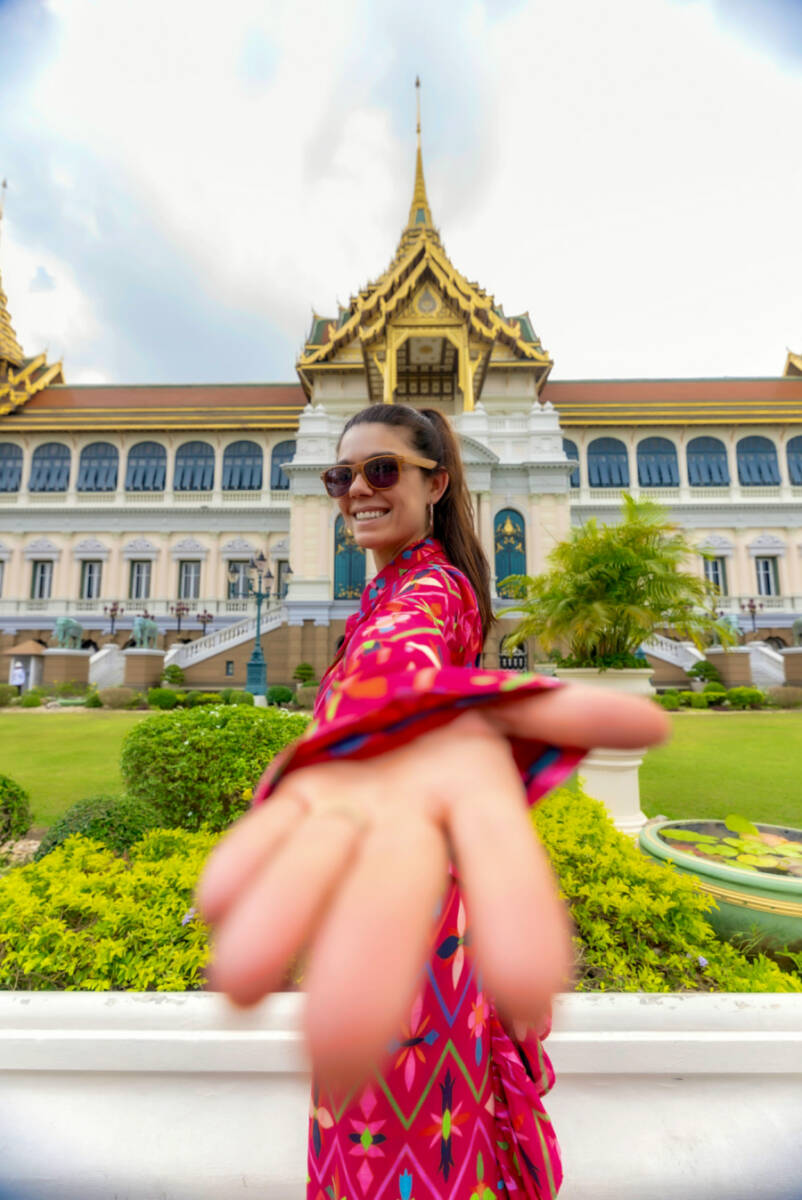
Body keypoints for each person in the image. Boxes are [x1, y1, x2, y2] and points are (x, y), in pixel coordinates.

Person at [195, 403, 668, 1199]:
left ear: (437, 482)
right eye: (340, 476)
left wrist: (380, 724)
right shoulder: (383, 594)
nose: (356, 491)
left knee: (400, 1142)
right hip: (396, 904)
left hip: (415, 928)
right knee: (393, 1132)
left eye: (383, 470)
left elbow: (398, 664)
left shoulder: (430, 589)